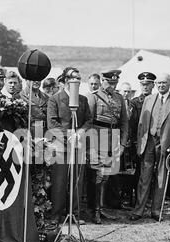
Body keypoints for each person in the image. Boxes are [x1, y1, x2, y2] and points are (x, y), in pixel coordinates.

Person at [130, 73, 170, 222]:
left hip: (166, 144)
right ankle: (139, 210)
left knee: (161, 177)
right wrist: (139, 144)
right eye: (159, 83)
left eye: (164, 83)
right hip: (149, 141)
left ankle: (156, 210)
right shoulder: (149, 99)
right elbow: (141, 125)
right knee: (144, 176)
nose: (161, 85)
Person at [47, 67, 92, 225]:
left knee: (77, 181)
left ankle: (75, 214)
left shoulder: (83, 100)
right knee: (59, 181)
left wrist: (80, 132)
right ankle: (56, 215)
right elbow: (52, 122)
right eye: (74, 78)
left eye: (79, 78)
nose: (77, 81)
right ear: (65, 80)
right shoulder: (55, 99)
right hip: (60, 147)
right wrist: (67, 136)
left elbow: (88, 120)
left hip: (78, 145)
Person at [86, 69, 128, 224]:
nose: (112, 85)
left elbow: (124, 123)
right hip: (98, 137)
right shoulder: (94, 97)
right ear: (103, 81)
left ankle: (101, 208)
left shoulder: (120, 98)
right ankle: (94, 210)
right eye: (109, 82)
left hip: (114, 138)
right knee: (97, 176)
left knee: (106, 176)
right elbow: (88, 122)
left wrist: (122, 143)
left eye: (115, 83)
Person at [128, 72, 155, 205]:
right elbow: (131, 124)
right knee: (137, 172)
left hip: (153, 141)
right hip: (138, 141)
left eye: (148, 84)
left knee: (151, 172)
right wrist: (134, 141)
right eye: (143, 84)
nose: (145, 87)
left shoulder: (157, 101)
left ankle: (148, 198)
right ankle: (134, 200)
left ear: (153, 85)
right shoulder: (134, 103)